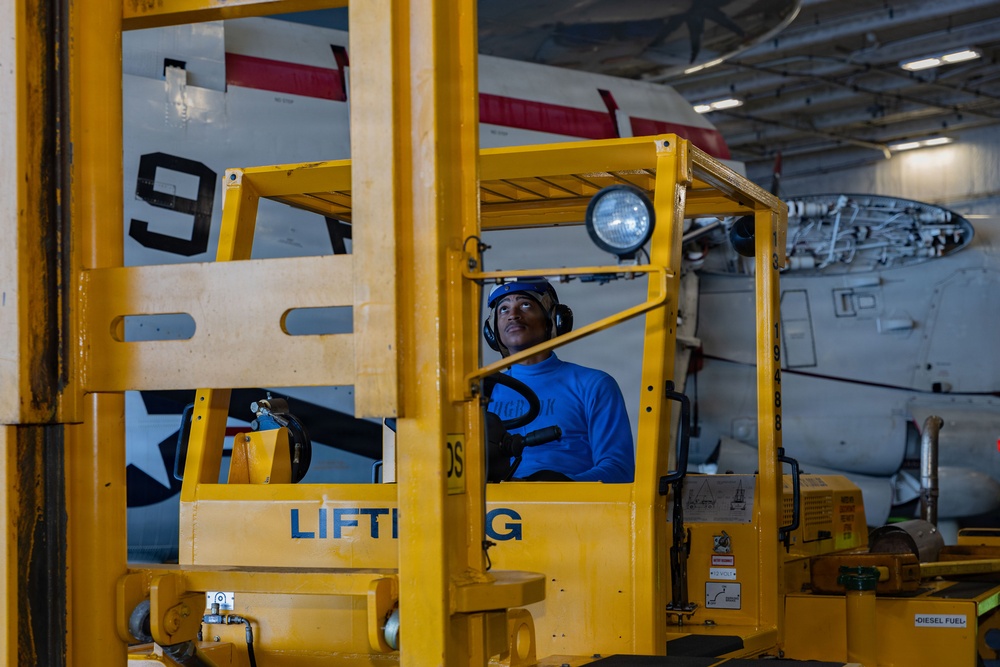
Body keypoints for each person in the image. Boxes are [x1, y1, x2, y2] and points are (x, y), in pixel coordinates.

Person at [483, 279, 634, 482]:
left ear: (553, 320)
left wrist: (559, 488)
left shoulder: (594, 385)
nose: (513, 315)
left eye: (525, 304)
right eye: (503, 309)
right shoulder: (481, 392)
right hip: (495, 510)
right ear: (493, 332)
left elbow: (619, 469)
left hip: (571, 509)